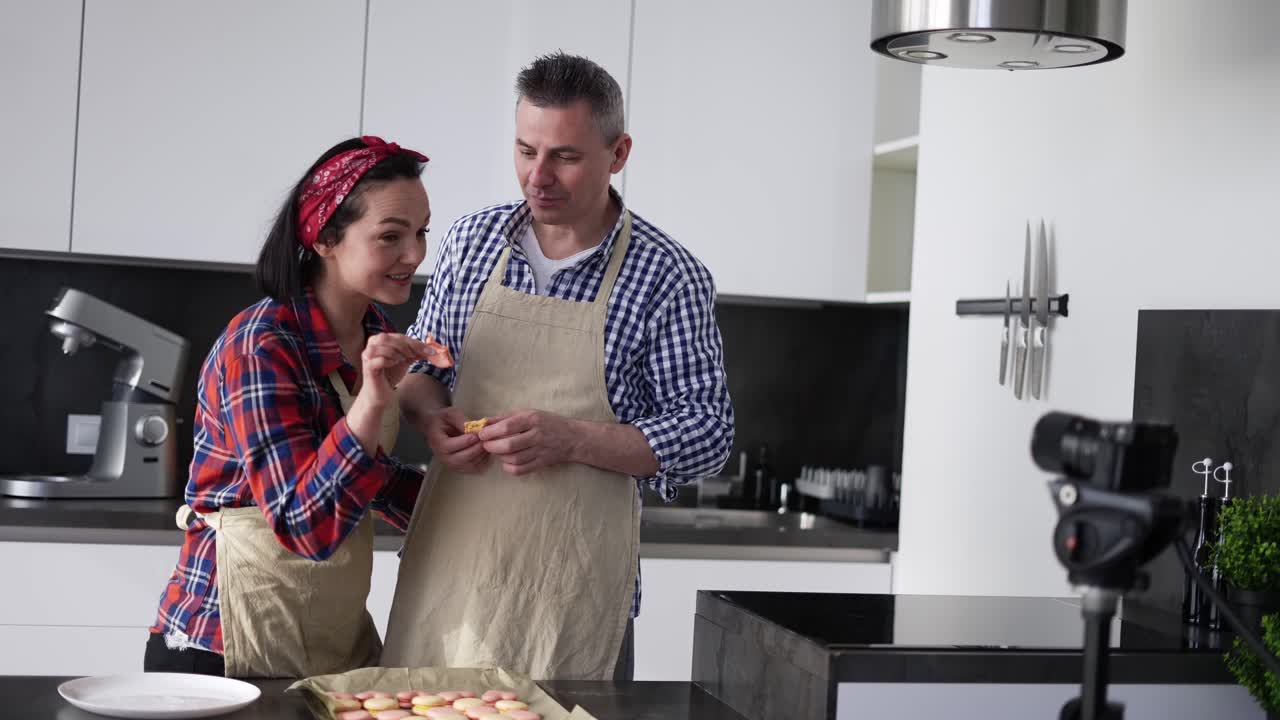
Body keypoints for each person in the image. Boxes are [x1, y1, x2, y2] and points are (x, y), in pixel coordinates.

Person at [382, 52, 735, 680]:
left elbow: (708, 432)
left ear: (618, 152)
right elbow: (423, 371)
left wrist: (571, 437)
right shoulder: (469, 242)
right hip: (451, 573)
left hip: (575, 593)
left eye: (565, 157)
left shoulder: (667, 275)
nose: (537, 176)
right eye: (525, 150)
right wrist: (431, 419)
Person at [146, 136, 444, 678]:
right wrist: (373, 403)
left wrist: (463, 488)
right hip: (222, 648)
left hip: (331, 644)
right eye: (390, 236)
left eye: (421, 231)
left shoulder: (374, 330)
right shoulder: (261, 346)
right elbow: (305, 526)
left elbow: (364, 479)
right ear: (326, 238)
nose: (415, 254)